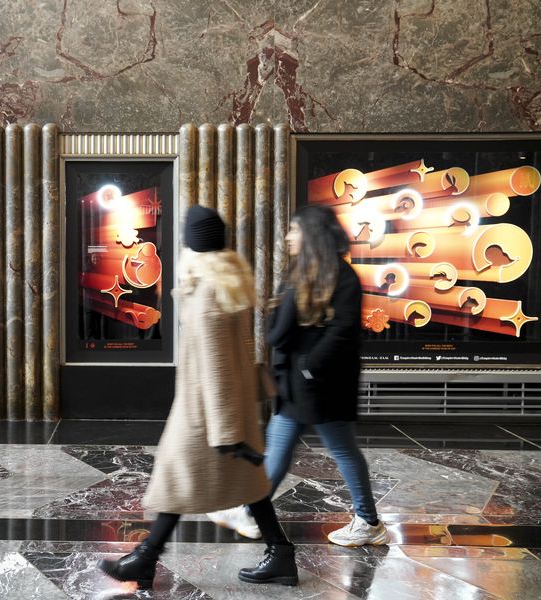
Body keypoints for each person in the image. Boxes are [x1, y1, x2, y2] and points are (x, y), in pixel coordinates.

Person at [97, 205, 298, 589]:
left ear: (192, 245)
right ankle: (279, 553)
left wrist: (227, 434)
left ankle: (146, 558)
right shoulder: (230, 285)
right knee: (247, 486)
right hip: (226, 411)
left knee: (177, 482)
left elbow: (217, 366)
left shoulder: (206, 293)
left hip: (207, 416)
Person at [207, 203, 390, 547]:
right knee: (281, 445)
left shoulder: (342, 277)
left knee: (341, 450)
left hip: (324, 385)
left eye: (295, 230)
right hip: (298, 382)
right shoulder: (301, 273)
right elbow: (277, 331)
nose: (288, 236)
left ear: (312, 234)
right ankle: (251, 513)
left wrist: (309, 368)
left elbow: (342, 332)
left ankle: (368, 521)